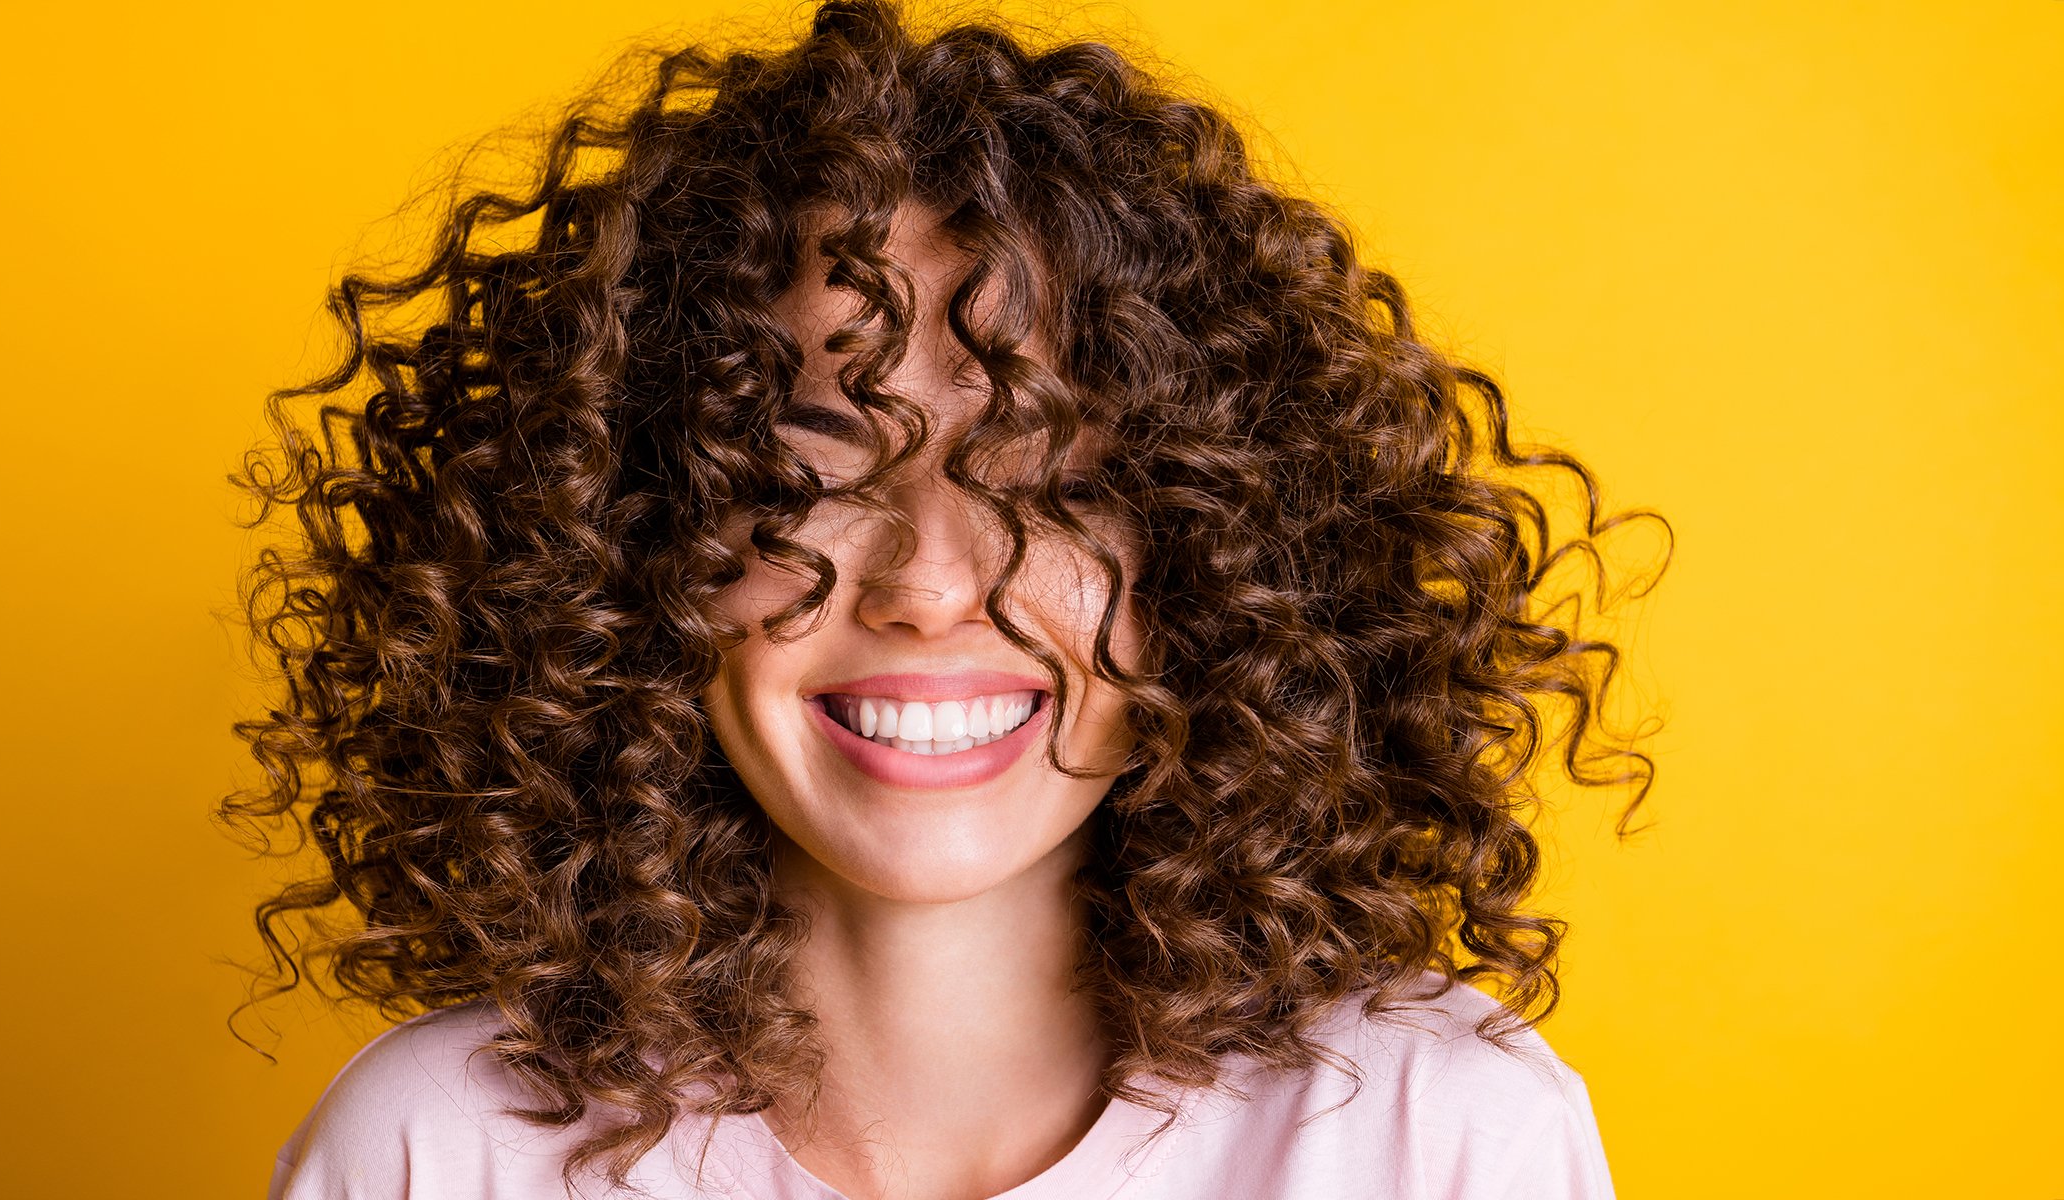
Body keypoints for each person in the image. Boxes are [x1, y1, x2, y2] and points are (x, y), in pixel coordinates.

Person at [224, 1, 1670, 1197]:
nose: (929, 584)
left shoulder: (1441, 1142)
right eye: (816, 470)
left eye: (1047, 481)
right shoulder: (441, 1154)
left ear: (1218, 560)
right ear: (636, 547)